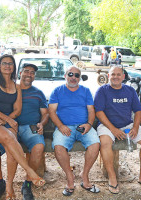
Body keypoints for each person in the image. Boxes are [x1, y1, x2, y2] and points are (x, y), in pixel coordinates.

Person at [94, 65, 141, 194]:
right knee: (105, 143)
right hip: (107, 125)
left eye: (118, 74)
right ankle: (112, 178)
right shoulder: (102, 91)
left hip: (127, 124)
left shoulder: (130, 90)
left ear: (123, 77)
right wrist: (113, 129)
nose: (115, 77)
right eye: (113, 74)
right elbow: (99, 112)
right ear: (108, 76)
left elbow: (138, 111)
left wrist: (135, 127)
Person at [0, 55, 45, 200]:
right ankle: (25, 173)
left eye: (10, 63)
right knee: (10, 138)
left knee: (12, 147)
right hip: (2, 121)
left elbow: (17, 109)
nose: (7, 66)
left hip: (9, 121)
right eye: (4, 63)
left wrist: (8, 120)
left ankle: (10, 186)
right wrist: (4, 119)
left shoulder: (16, 86)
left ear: (14, 68)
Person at [48, 66, 100, 196]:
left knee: (95, 144)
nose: (73, 77)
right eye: (70, 74)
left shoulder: (86, 91)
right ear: (65, 75)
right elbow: (51, 111)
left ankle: (85, 176)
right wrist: (60, 126)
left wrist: (89, 124)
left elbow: (91, 110)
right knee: (59, 147)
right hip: (65, 126)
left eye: (77, 75)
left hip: (83, 125)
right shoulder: (57, 91)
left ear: (80, 78)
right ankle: (70, 177)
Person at [16, 63, 49, 200]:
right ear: (20, 73)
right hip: (11, 127)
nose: (29, 74)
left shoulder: (38, 93)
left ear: (34, 77)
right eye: (26, 71)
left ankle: (27, 184)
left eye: (32, 73)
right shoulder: (12, 89)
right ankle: (0, 181)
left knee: (38, 147)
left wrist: (42, 123)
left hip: (31, 127)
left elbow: (46, 113)